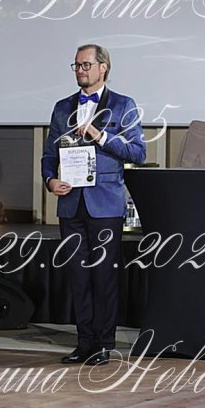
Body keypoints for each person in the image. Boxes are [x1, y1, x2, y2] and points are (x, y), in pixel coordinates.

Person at [41, 44, 146, 365]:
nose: (80, 70)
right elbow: (49, 155)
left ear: (103, 67)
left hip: (105, 206)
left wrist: (101, 137)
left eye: (86, 65)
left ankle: (103, 344)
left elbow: (138, 153)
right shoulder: (62, 108)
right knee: (78, 277)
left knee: (104, 277)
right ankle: (84, 342)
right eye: (76, 65)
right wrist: (50, 180)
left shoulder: (123, 105)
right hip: (71, 205)